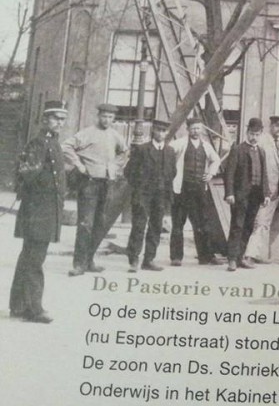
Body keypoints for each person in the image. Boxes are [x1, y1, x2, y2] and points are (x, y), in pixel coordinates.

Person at [9, 100, 67, 323]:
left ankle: (18, 305)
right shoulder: (39, 143)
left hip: (46, 210)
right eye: (56, 118)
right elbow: (26, 174)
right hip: (37, 211)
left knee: (28, 258)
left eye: (62, 119)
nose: (60, 123)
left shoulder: (53, 143)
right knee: (34, 260)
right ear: (45, 120)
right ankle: (34, 309)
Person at [63, 103, 128, 276]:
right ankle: (78, 264)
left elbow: (124, 152)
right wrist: (78, 164)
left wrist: (115, 166)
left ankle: (89, 260)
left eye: (110, 117)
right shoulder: (86, 133)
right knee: (86, 224)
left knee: (100, 223)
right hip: (89, 183)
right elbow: (66, 146)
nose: (107, 120)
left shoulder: (115, 135)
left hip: (107, 184)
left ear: (113, 119)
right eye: (104, 116)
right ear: (98, 116)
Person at [123, 120, 176, 273]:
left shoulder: (170, 151)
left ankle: (149, 260)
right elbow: (129, 172)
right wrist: (139, 189)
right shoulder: (142, 149)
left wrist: (165, 192)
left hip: (160, 196)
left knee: (156, 227)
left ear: (167, 133)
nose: (161, 134)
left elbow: (172, 173)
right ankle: (133, 259)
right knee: (139, 226)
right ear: (153, 131)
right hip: (143, 196)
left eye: (164, 131)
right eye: (158, 130)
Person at [169, 117, 222, 266]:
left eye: (198, 128)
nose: (196, 131)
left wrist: (210, 173)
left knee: (202, 223)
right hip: (182, 189)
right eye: (193, 128)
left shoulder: (206, 145)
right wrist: (172, 174)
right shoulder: (179, 143)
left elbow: (216, 160)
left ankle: (205, 256)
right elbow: (167, 154)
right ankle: (176, 257)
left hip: (199, 189)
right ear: (188, 129)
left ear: (202, 129)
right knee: (178, 223)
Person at [224, 117, 269, 271]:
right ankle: (231, 259)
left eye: (257, 134)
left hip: (255, 196)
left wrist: (266, 194)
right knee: (237, 225)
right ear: (247, 132)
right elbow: (229, 173)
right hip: (239, 195)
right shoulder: (238, 149)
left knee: (248, 226)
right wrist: (229, 193)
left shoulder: (261, 151)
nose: (253, 137)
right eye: (251, 133)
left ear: (261, 134)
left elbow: (264, 175)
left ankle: (239, 257)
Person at [244, 115, 279, 264]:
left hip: (277, 191)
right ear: (270, 126)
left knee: (268, 224)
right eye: (276, 126)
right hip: (265, 191)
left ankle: (261, 255)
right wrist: (265, 191)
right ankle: (249, 255)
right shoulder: (262, 142)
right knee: (260, 223)